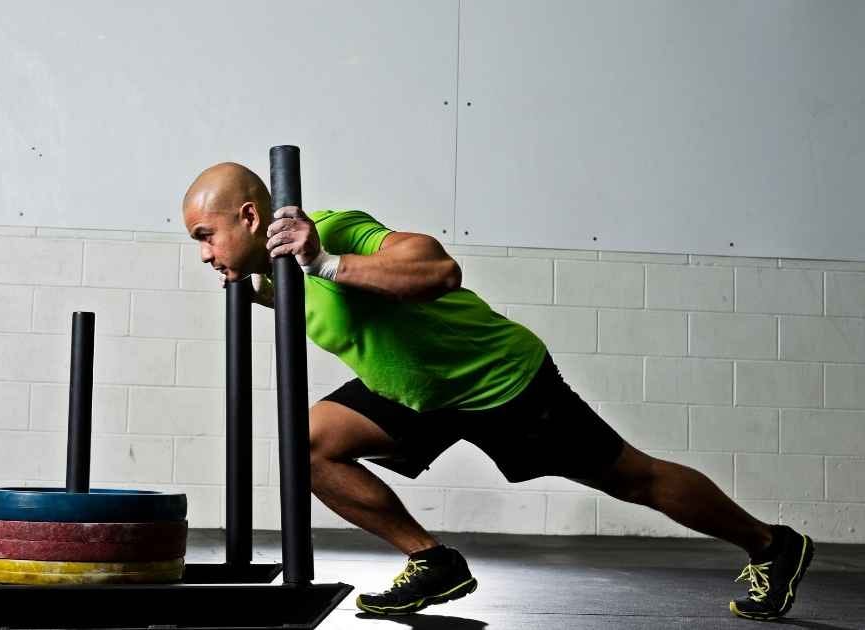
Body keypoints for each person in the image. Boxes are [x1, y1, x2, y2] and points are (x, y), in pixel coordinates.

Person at [181, 162, 813, 621]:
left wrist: (324, 260)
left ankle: (772, 544)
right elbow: (329, 311)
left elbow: (437, 269)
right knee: (308, 446)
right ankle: (433, 562)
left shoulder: (334, 233)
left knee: (634, 479)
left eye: (205, 237)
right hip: (414, 393)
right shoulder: (276, 278)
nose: (204, 254)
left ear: (249, 216)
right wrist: (266, 285)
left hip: (498, 382)